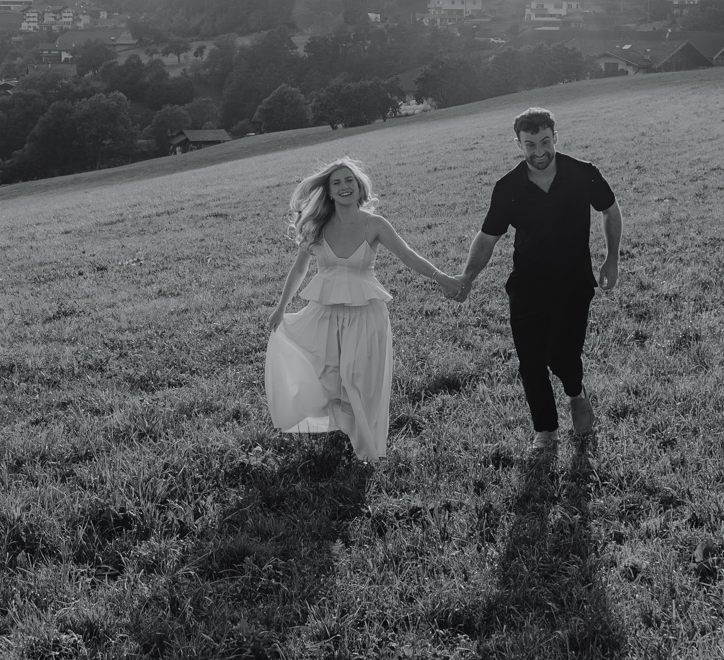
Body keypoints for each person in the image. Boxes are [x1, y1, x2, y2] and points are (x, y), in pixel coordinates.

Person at [265, 156, 460, 462]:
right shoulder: (317, 226)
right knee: (330, 378)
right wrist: (280, 309)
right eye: (337, 182)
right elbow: (299, 270)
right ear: (328, 191)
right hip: (325, 314)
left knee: (358, 378)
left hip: (366, 314)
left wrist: (442, 278)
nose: (344, 186)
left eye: (349, 181)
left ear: (359, 187)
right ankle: (343, 427)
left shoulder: (375, 225)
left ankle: (365, 448)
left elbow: (408, 256)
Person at [453, 107, 621, 452]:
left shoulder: (582, 174)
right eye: (530, 144)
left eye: (545, 141)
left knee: (560, 354)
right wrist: (467, 277)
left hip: (574, 283)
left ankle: (575, 392)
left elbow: (610, 209)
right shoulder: (508, 187)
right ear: (518, 144)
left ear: (555, 137)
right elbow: (487, 238)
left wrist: (612, 258)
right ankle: (545, 432)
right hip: (527, 285)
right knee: (530, 361)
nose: (539, 151)